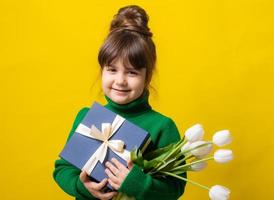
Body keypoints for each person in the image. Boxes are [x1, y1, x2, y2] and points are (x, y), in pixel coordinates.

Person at [53, 5, 186, 200]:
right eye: (112, 70)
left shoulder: (162, 127)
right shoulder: (86, 117)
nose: (120, 80)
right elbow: (62, 169)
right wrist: (82, 187)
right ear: (102, 71)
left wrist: (137, 184)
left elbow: (175, 188)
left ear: (147, 77)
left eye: (132, 72)